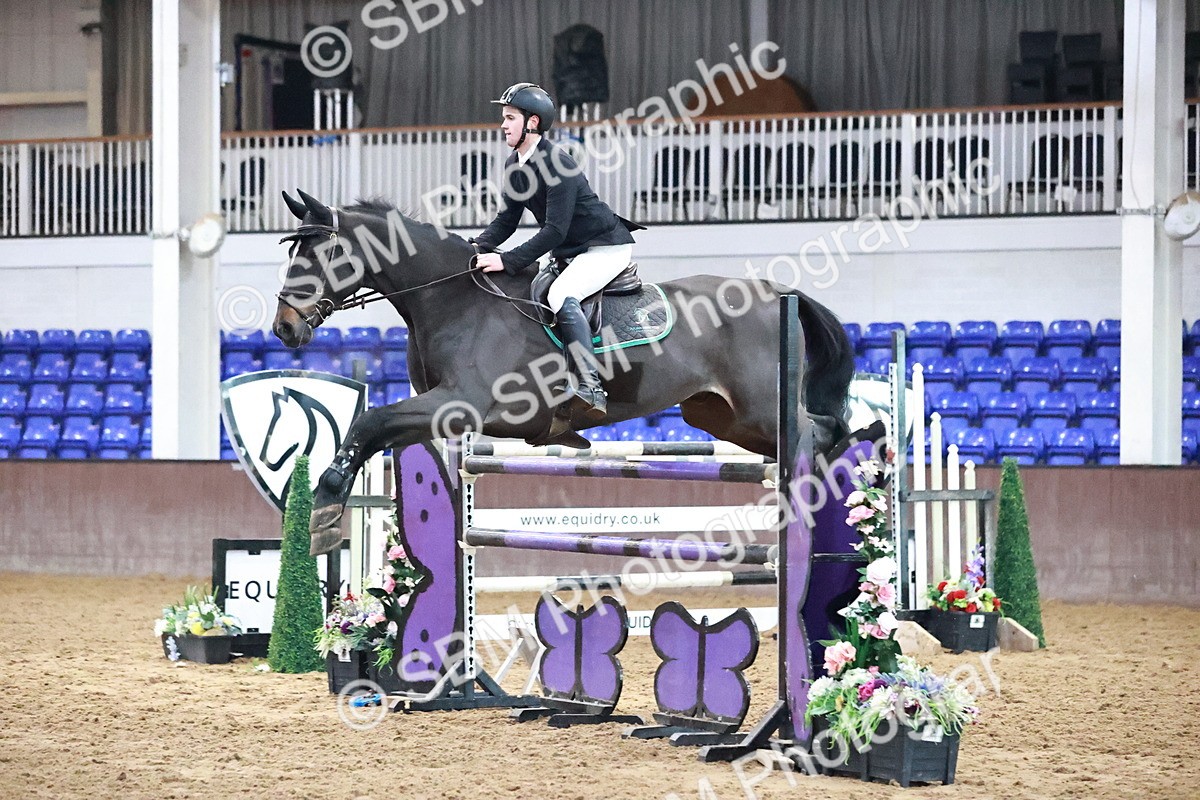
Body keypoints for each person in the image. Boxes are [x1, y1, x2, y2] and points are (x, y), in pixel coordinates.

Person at [473, 82, 639, 420]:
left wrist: (506, 260)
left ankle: (590, 385)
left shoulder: (556, 163)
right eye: (503, 118)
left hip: (604, 247)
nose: (503, 125)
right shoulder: (514, 165)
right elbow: (507, 220)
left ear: (531, 123)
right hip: (572, 252)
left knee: (563, 293)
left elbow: (554, 231)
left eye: (510, 118)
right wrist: (477, 247)